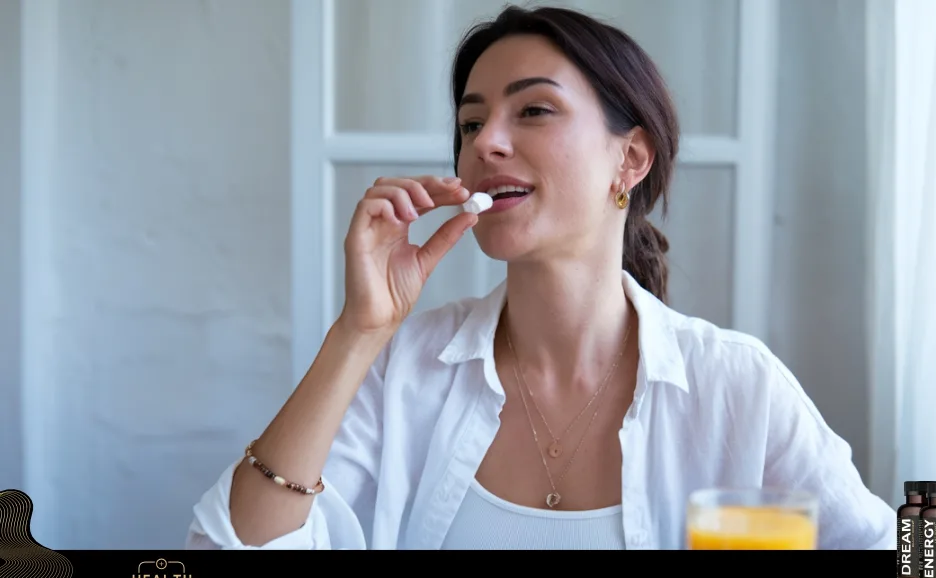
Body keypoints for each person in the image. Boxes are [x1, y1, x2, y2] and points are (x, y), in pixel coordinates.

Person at [186, 5, 896, 550]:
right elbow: (225, 547)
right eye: (469, 124)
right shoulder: (403, 367)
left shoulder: (736, 387)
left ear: (631, 159)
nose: (485, 141)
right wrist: (358, 331)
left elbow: (911, 557)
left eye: (533, 110)